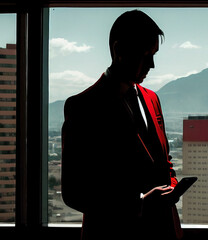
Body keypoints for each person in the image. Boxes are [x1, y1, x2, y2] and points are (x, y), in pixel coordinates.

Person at [61, 10, 181, 240]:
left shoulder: (153, 99)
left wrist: (172, 187)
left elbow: (162, 161)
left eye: (154, 54)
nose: (153, 65)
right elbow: (74, 192)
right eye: (146, 55)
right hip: (113, 239)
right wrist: (140, 203)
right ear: (118, 51)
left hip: (163, 233)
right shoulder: (83, 107)